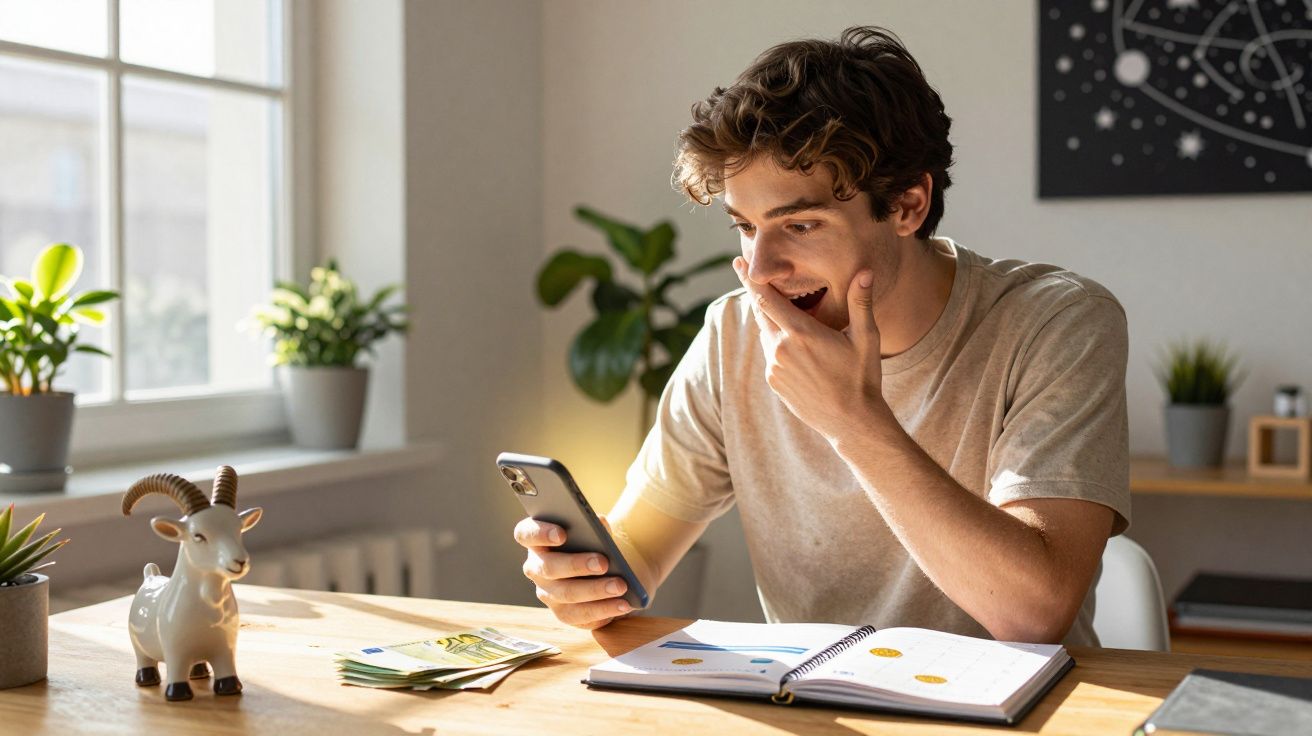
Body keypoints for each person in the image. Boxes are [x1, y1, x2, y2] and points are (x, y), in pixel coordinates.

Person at [514, 26, 1129, 645]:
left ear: (908, 205)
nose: (760, 271)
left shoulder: (1056, 322)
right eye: (746, 228)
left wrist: (854, 421)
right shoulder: (735, 332)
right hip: (812, 705)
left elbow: (1034, 614)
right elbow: (637, 553)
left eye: (800, 224)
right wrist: (583, 578)